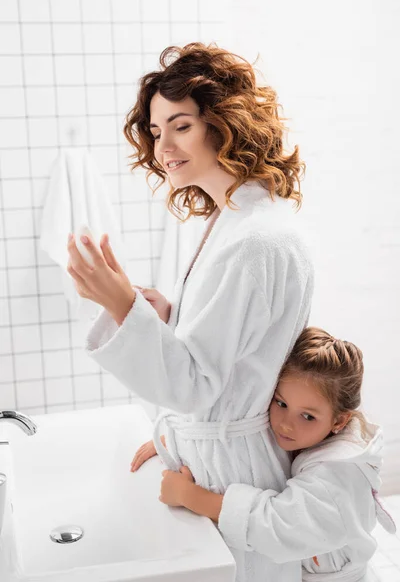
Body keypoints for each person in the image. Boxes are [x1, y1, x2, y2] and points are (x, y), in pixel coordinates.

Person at [66, 42, 314, 582]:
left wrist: (121, 303)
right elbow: (241, 345)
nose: (163, 147)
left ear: (224, 124)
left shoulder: (252, 241)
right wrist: (172, 313)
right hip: (215, 459)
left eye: (180, 125)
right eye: (156, 132)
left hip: (232, 474)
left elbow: (197, 385)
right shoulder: (238, 221)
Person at [133, 327, 396, 582]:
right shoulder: (308, 437)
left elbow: (280, 525)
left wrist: (191, 497)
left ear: (339, 421)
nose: (285, 424)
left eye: (307, 416)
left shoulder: (340, 475)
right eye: (281, 403)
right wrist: (183, 444)